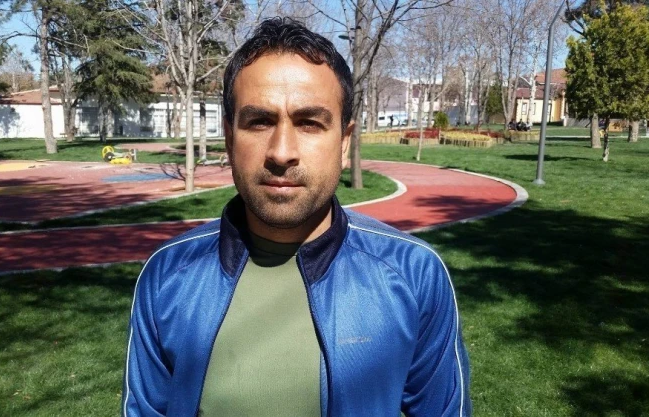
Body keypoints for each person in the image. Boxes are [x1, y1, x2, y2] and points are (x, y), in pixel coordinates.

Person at [122, 17, 471, 417]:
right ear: (230, 138)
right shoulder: (166, 274)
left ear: (344, 142)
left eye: (309, 123)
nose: (281, 152)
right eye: (259, 121)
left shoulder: (415, 274)